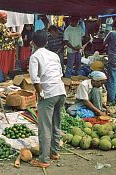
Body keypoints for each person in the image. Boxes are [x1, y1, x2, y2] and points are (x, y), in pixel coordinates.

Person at [29, 30, 66, 168]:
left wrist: (40, 93)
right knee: (56, 123)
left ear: (33, 42)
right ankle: (54, 152)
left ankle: (44, 159)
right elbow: (60, 73)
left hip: (48, 94)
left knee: (45, 128)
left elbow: (34, 78)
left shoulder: (35, 56)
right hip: (60, 92)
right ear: (46, 42)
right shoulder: (54, 55)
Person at [0, 12, 21, 81]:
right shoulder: (0, 25)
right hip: (5, 48)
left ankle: (7, 77)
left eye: (6, 18)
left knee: (9, 63)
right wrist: (16, 33)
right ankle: (5, 78)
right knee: (5, 64)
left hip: (9, 47)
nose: (6, 19)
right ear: (0, 19)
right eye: (5, 18)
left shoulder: (3, 25)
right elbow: (6, 35)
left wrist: (14, 35)